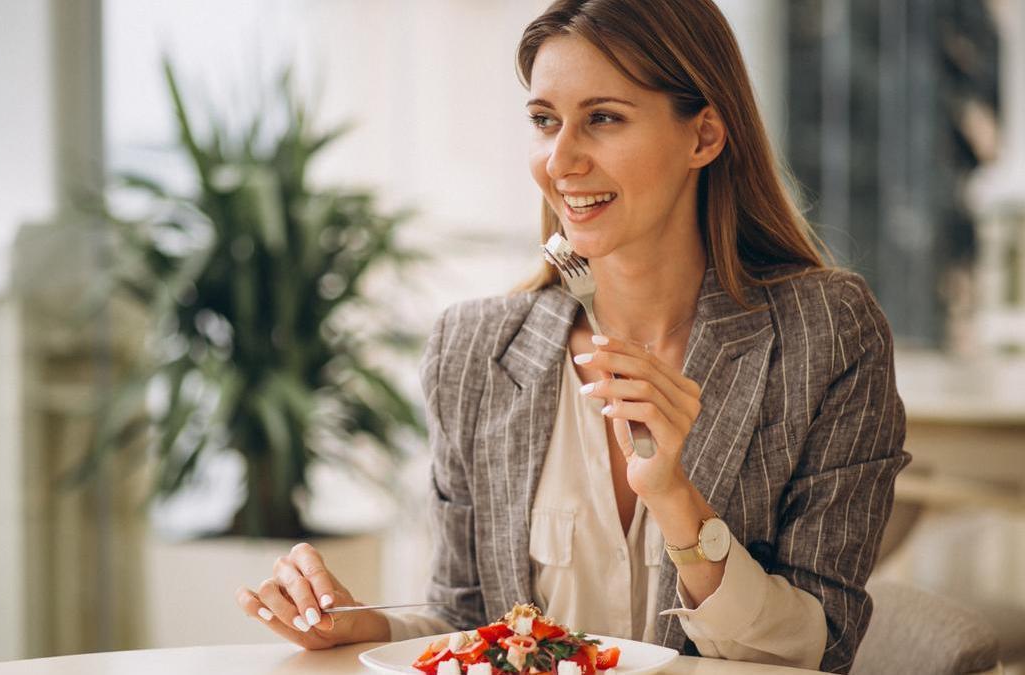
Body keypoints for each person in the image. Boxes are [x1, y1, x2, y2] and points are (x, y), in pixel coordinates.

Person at [235, 0, 910, 671]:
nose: (560, 161)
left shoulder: (826, 333)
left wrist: (677, 502)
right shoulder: (473, 349)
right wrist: (354, 624)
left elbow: (820, 648)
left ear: (703, 137)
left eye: (603, 119)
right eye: (544, 121)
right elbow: (468, 615)